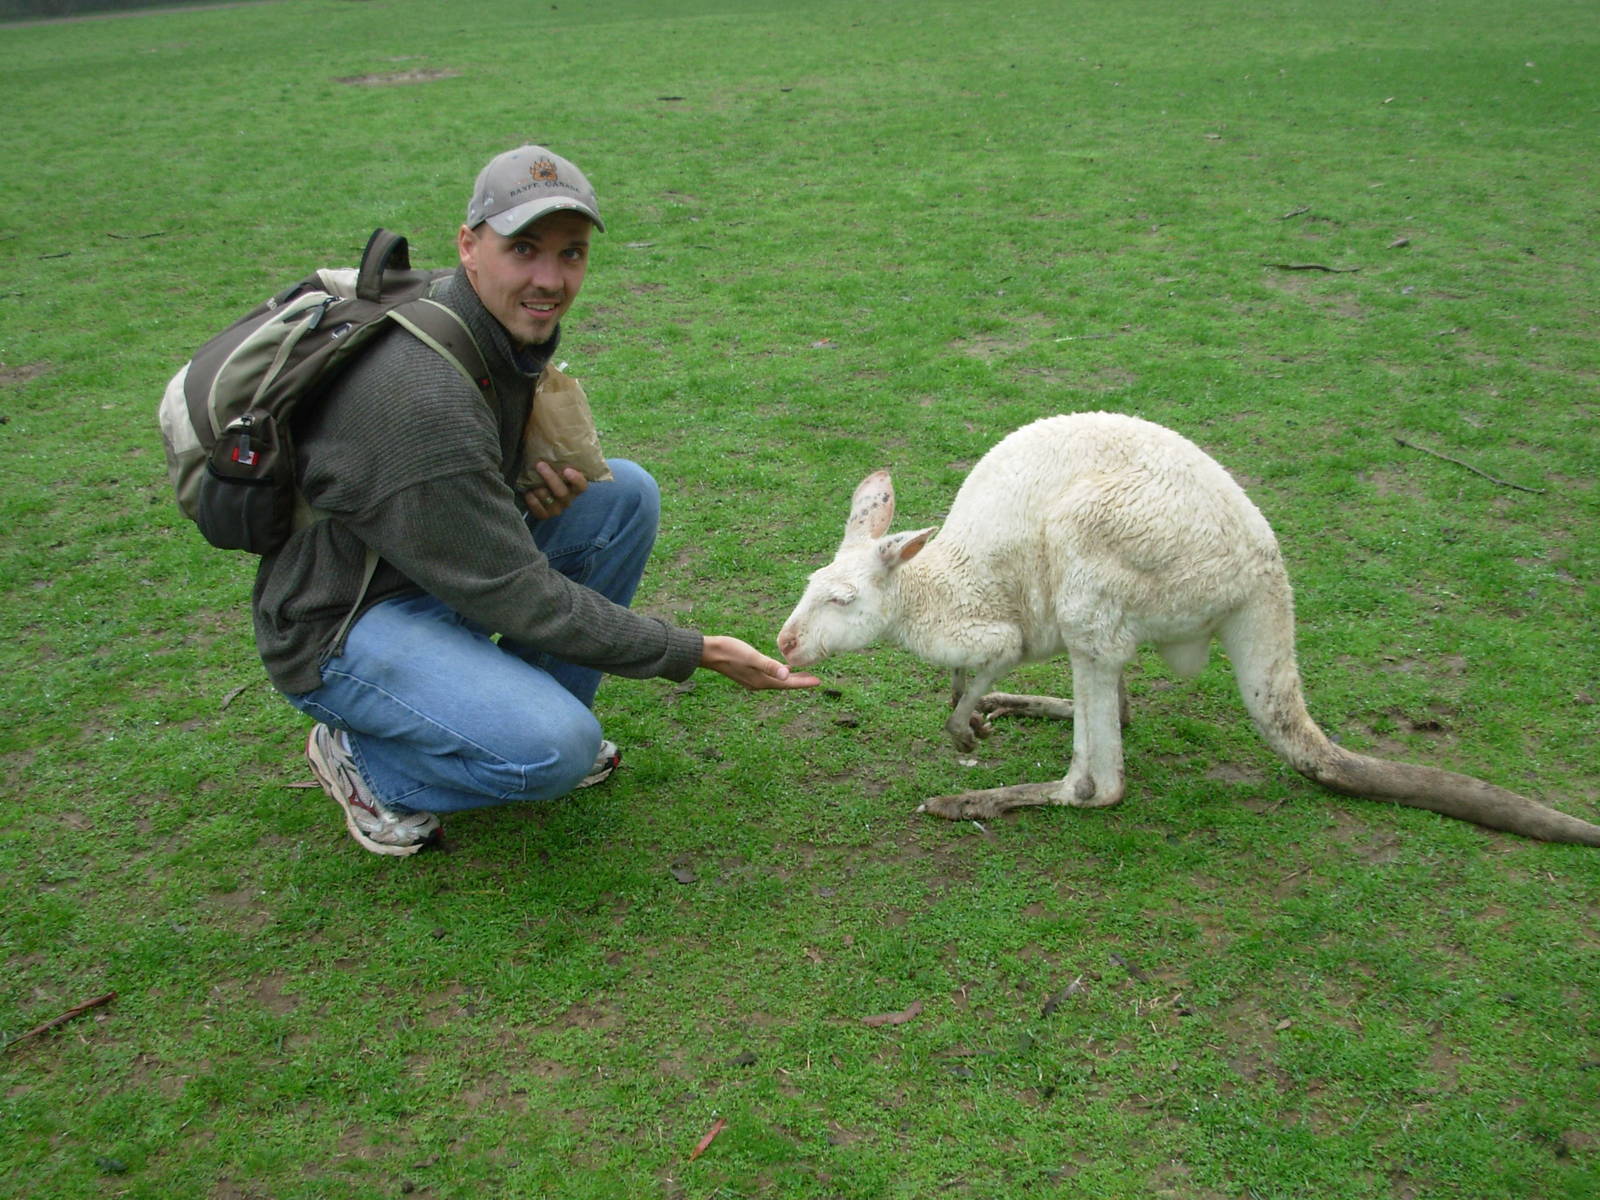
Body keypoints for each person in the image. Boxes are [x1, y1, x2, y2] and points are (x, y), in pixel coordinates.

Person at [256, 144, 819, 856]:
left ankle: (511, 712)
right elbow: (516, 593)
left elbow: (455, 494)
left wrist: (519, 473)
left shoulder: (481, 317)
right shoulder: (421, 392)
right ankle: (368, 763)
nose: (550, 279)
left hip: (419, 562)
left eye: (571, 253)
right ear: (469, 246)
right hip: (340, 622)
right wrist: (695, 651)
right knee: (552, 750)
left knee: (623, 496)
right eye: (523, 249)